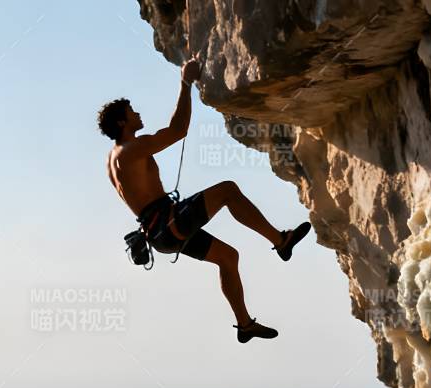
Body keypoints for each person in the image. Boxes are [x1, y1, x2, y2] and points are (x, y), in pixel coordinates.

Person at [101, 55, 312, 343]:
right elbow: (178, 131)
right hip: (167, 223)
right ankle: (280, 240)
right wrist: (185, 83)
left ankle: (245, 325)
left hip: (159, 231)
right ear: (121, 121)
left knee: (228, 257)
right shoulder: (129, 150)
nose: (138, 114)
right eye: (132, 111)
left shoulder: (112, 158)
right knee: (227, 190)